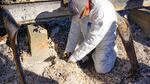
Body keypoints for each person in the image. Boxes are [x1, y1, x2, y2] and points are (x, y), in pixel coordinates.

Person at [64, 0, 118, 74]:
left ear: (86, 8)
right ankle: (91, 53)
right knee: (80, 48)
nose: (78, 18)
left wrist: (75, 57)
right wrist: (68, 51)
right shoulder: (78, 5)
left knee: (101, 68)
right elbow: (74, 31)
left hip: (105, 32)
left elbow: (93, 39)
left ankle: (112, 50)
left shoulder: (102, 12)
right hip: (90, 27)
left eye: (80, 15)